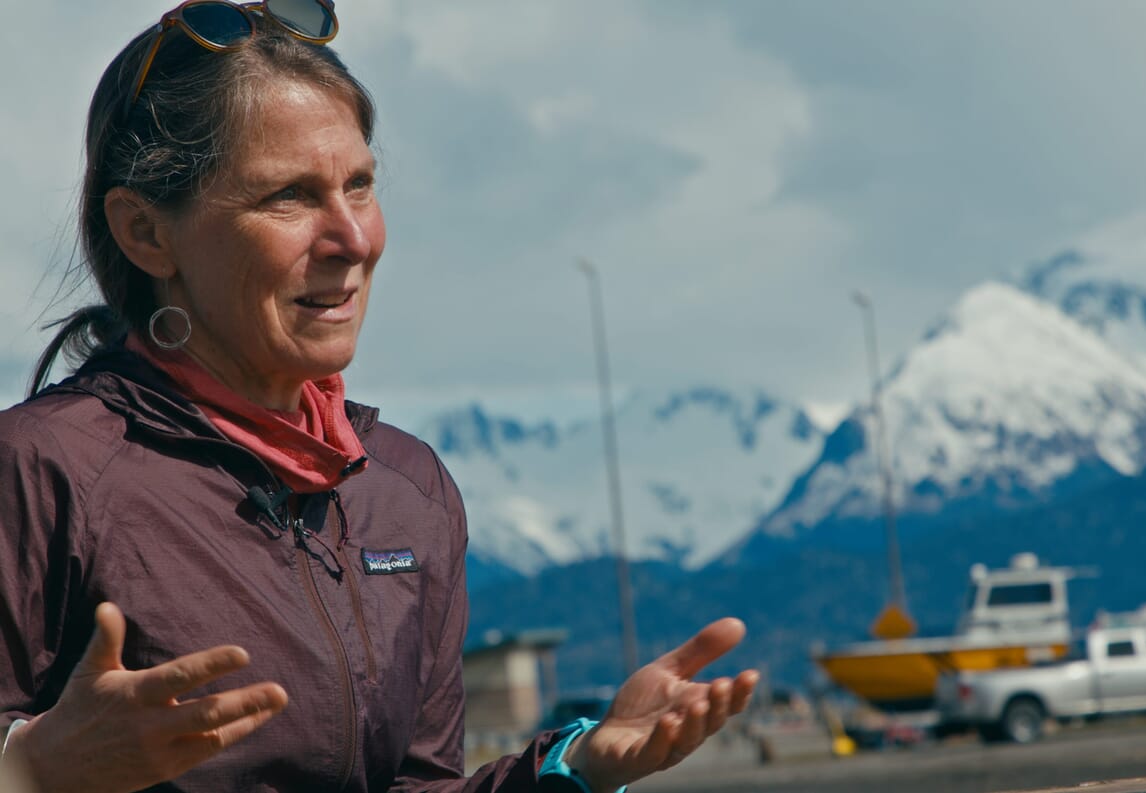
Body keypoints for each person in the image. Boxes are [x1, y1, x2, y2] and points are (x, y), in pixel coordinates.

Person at [0, 1, 758, 791]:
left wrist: (577, 768)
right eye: (289, 196)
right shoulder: (43, 470)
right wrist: (31, 767)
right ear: (146, 233)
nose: (354, 238)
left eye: (358, 185)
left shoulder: (409, 492)